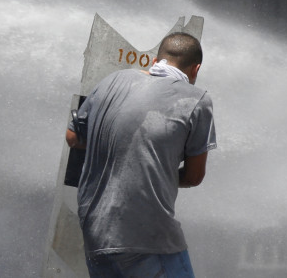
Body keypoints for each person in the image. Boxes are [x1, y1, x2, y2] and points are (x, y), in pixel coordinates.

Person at [65, 32, 216, 278]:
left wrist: (119, 155)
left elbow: (73, 138)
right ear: (196, 68)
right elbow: (194, 176)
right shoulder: (197, 100)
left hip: (97, 236)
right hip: (149, 240)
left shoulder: (112, 80)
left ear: (157, 59)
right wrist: (151, 165)